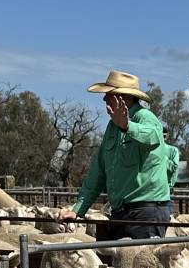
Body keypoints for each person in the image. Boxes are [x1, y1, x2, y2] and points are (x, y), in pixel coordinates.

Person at [60, 70, 168, 239]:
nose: (104, 99)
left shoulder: (145, 117)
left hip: (145, 212)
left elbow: (153, 136)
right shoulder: (112, 127)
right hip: (120, 212)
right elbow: (98, 172)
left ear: (123, 97)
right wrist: (77, 210)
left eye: (109, 94)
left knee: (141, 263)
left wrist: (127, 126)